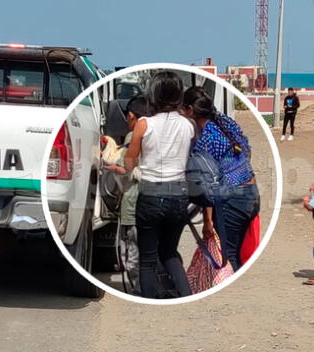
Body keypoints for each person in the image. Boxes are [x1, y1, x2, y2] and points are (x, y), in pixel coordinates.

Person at [123, 72, 194, 298]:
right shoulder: (188, 125)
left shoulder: (144, 125)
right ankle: (185, 292)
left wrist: (132, 169)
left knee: (147, 258)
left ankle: (149, 299)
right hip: (180, 193)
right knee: (170, 252)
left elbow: (129, 160)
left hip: (151, 193)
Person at [181, 86, 260, 272]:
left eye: (182, 110)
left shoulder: (204, 138)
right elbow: (247, 149)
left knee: (227, 255)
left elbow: (209, 182)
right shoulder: (225, 122)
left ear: (190, 111)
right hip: (251, 192)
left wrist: (207, 221)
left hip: (231, 199)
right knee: (237, 253)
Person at [102, 95, 150, 295]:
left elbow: (126, 168)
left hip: (133, 200)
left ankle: (138, 290)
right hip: (154, 200)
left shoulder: (134, 136)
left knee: (133, 251)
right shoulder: (158, 132)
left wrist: (107, 165)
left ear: (131, 116)